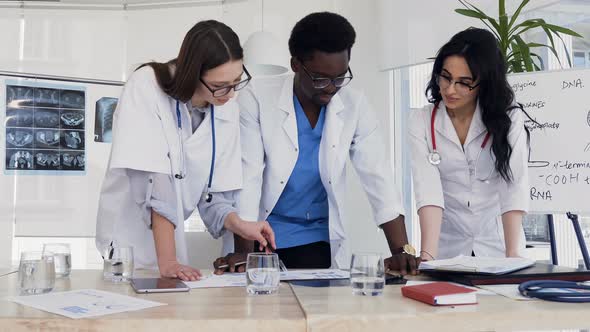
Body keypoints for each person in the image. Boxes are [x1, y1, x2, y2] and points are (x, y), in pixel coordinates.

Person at [214, 12, 419, 274]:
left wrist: (402, 250)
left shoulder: (354, 104)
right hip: (261, 234)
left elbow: (378, 176)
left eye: (340, 77)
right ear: (296, 64)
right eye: (321, 79)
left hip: (317, 238)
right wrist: (244, 252)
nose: (332, 88)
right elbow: (248, 176)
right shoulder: (256, 97)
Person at [96, 20, 275, 282]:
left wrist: (240, 225)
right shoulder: (146, 85)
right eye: (220, 85)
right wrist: (168, 261)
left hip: (171, 247)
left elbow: (213, 195)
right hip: (128, 241)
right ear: (193, 73)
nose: (230, 94)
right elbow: (155, 183)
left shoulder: (225, 107)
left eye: (237, 81)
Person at [409, 28, 529, 261]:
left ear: (484, 83)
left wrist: (512, 254)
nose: (450, 89)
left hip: (498, 243)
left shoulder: (509, 118)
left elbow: (513, 185)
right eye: (445, 77)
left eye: (464, 83)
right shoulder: (422, 121)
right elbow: (428, 190)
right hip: (448, 245)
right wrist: (428, 256)